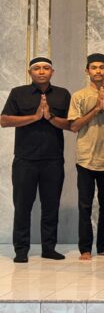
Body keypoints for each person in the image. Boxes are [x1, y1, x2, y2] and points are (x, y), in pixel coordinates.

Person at [1, 57, 71, 263]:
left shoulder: (62, 94)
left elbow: (71, 125)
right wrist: (34, 117)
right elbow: (4, 120)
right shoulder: (18, 93)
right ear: (30, 72)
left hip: (53, 160)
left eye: (46, 68)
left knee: (51, 206)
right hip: (25, 161)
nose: (41, 72)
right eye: (37, 68)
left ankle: (49, 248)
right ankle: (21, 250)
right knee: (22, 206)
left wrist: (50, 117)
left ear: (52, 72)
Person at [68, 53, 104, 260]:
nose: (98, 71)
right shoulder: (78, 96)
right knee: (85, 205)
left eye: (101, 67)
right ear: (87, 71)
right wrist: (96, 109)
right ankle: (85, 249)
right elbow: (74, 126)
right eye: (94, 67)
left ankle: (103, 246)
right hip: (85, 158)